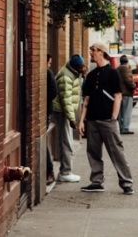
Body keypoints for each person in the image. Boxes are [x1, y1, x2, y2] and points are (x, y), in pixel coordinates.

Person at [79, 42, 134, 195]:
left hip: (107, 121)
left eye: (93, 51)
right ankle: (96, 181)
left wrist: (113, 117)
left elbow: (118, 96)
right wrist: (82, 120)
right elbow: (86, 100)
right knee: (93, 152)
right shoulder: (90, 75)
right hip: (92, 120)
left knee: (117, 151)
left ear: (101, 52)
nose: (90, 54)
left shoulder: (112, 72)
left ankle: (126, 183)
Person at [52, 53, 86, 183]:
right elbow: (65, 100)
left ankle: (66, 170)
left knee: (66, 140)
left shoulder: (73, 73)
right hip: (62, 112)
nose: (82, 69)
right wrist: (72, 119)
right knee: (66, 141)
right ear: (75, 67)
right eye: (81, 67)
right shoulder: (66, 76)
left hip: (65, 112)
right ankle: (65, 172)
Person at [46, 54, 59, 185]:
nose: (50, 65)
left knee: (43, 141)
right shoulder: (48, 72)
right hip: (46, 111)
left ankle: (49, 171)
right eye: (49, 62)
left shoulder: (48, 73)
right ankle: (49, 171)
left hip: (45, 111)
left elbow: (53, 92)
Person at [117, 55, 135, 135]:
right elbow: (128, 81)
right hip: (127, 93)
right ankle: (125, 128)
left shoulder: (117, 69)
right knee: (127, 111)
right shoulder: (127, 69)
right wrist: (133, 86)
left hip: (119, 93)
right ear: (127, 62)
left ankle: (120, 127)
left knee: (120, 112)